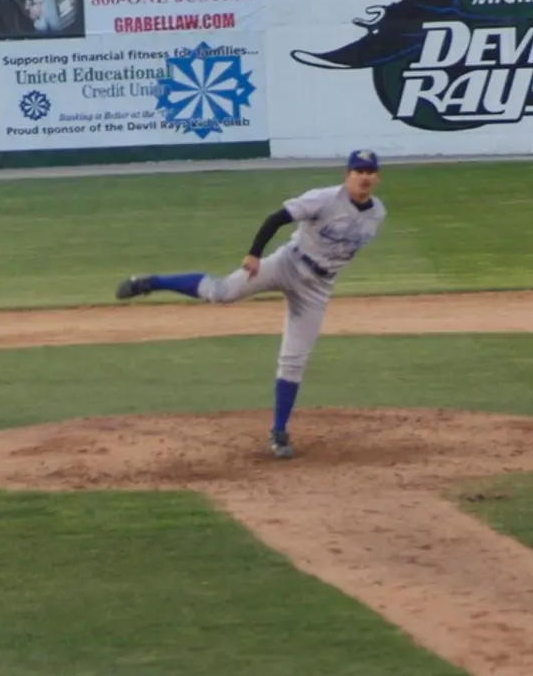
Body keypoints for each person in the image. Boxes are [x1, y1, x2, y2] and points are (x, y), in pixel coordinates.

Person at [114, 149, 387, 459]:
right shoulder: (324, 198)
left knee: (294, 360)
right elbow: (277, 218)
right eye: (358, 171)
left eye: (369, 171)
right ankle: (151, 282)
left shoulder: (377, 213)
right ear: (347, 174)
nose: (364, 176)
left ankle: (279, 433)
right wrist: (254, 254)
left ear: (376, 176)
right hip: (286, 263)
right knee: (221, 292)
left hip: (318, 288)